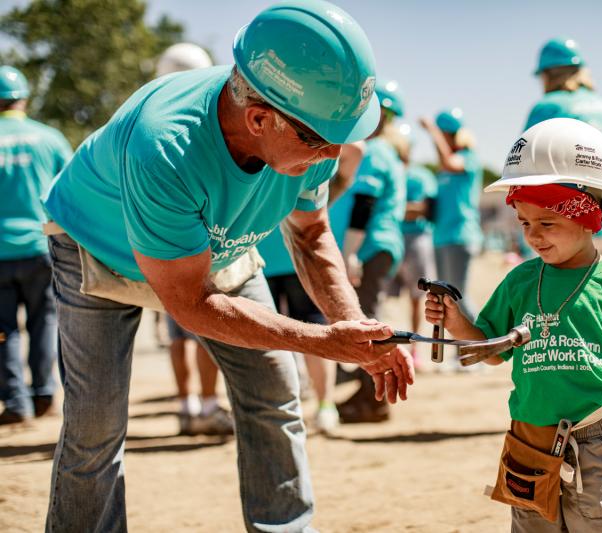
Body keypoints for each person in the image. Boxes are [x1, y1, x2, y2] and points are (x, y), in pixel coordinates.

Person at [40, 3, 413, 531]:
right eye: (321, 140)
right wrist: (322, 342)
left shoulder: (304, 135)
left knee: (274, 393)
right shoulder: (165, 147)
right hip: (99, 247)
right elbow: (190, 305)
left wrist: (351, 324)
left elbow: (311, 234)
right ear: (260, 118)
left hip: (219, 247)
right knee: (96, 428)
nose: (333, 154)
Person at [425, 118, 602, 532]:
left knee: (594, 524)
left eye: (547, 223)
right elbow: (491, 349)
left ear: (587, 218)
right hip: (528, 441)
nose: (533, 236)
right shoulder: (520, 280)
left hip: (596, 439)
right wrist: (456, 322)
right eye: (524, 224)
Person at [153, 42, 234, 436]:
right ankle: (206, 404)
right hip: (204, 248)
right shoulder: (206, 117)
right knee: (203, 331)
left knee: (176, 336)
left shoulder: (154, 112)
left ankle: (186, 407)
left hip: (159, 250)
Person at [259, 141, 366, 433]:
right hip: (298, 257)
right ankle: (325, 406)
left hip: (262, 257)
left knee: (264, 336)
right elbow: (356, 151)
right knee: (317, 328)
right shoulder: (310, 168)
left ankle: (277, 411)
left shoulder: (261, 164)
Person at [0, 66, 72, 425]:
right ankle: (43, 392)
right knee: (45, 322)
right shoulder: (49, 138)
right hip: (41, 247)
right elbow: (72, 190)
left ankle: (15, 401)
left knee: (4, 329)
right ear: (23, 98)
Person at [337, 79, 407, 423]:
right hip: (383, 244)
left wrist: (349, 252)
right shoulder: (389, 151)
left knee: (368, 322)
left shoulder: (375, 151)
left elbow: (364, 203)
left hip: (370, 246)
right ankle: (368, 393)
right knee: (369, 316)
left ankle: (374, 399)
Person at [524, 37, 602, 263]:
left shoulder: (549, 105)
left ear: (547, 74)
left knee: (559, 298)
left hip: (565, 225)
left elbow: (525, 163)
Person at [419, 108, 482, 322]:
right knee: (446, 299)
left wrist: (431, 131)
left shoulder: (468, 158)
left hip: (460, 235)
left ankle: (482, 342)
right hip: (441, 236)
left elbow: (448, 161)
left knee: (458, 297)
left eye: (443, 134)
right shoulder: (443, 170)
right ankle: (461, 351)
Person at [385, 122, 438, 369]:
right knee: (385, 296)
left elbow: (425, 209)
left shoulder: (420, 175)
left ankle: (414, 348)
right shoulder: (391, 171)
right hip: (395, 238)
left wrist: (394, 209)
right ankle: (390, 345)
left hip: (416, 240)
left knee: (418, 298)